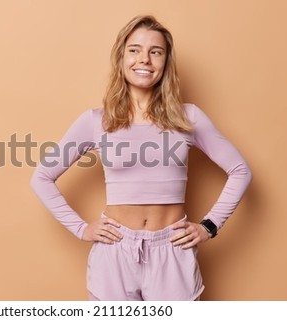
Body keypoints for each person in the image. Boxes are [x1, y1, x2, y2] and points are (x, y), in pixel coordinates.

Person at [30, 15, 252, 301]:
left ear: (165, 62)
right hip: (114, 253)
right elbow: (42, 177)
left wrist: (209, 226)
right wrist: (81, 228)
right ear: (121, 58)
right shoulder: (96, 121)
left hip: (172, 251)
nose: (144, 59)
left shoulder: (189, 118)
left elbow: (240, 170)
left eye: (155, 52)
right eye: (134, 50)